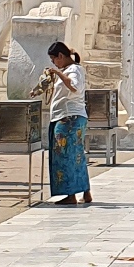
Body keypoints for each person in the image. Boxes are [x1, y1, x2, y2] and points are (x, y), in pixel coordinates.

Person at [40, 40, 91, 205]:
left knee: (65, 155)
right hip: (69, 116)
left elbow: (74, 87)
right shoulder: (71, 70)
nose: (54, 63)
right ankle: (85, 191)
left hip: (69, 117)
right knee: (76, 155)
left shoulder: (74, 70)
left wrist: (58, 73)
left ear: (60, 56)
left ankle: (70, 194)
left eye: (54, 59)